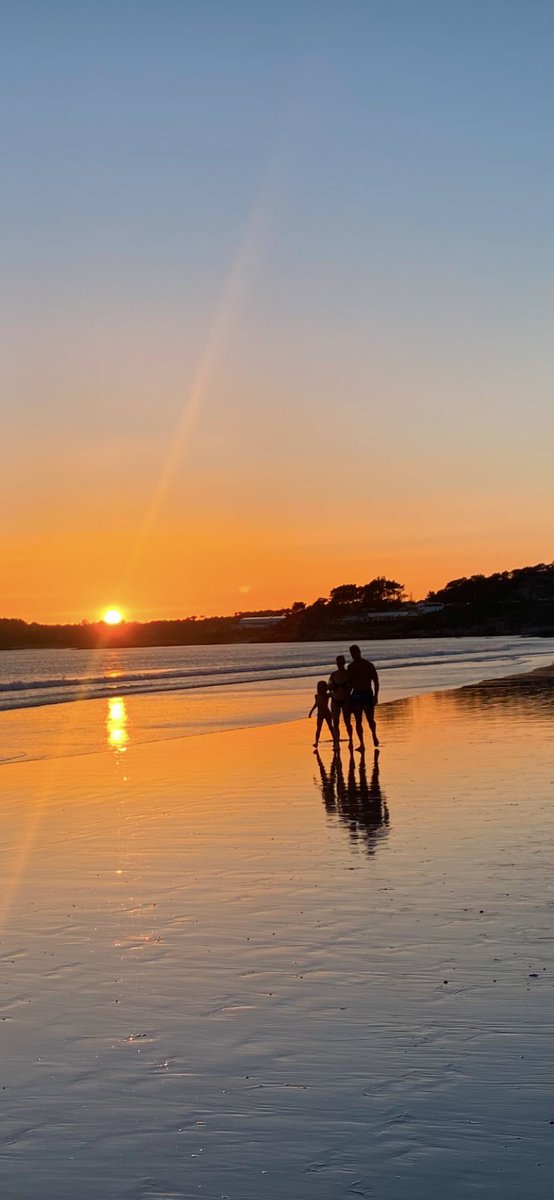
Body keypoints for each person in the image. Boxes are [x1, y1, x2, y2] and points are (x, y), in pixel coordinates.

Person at [346, 644, 379, 751]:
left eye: (356, 653)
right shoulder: (350, 667)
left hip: (367, 694)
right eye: (352, 653)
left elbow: (376, 681)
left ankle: (374, 734)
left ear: (359, 652)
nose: (354, 655)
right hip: (356, 695)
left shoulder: (368, 665)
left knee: (370, 719)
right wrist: (347, 698)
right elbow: (349, 684)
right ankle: (362, 743)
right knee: (358, 721)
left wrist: (376, 696)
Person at [328, 654, 353, 745]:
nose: (340, 665)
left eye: (341, 663)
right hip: (335, 701)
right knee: (335, 723)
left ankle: (350, 739)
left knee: (347, 722)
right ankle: (336, 742)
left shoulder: (348, 674)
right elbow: (329, 687)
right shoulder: (333, 674)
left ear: (344, 663)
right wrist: (331, 690)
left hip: (345, 701)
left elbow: (351, 687)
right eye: (338, 663)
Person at [308, 680, 336, 749]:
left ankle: (335, 741)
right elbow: (316, 704)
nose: (321, 689)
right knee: (318, 728)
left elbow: (333, 695)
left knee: (330, 727)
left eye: (323, 687)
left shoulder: (327, 695)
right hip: (320, 714)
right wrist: (311, 712)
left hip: (327, 713)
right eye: (320, 687)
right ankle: (316, 742)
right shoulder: (317, 696)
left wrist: (330, 688)